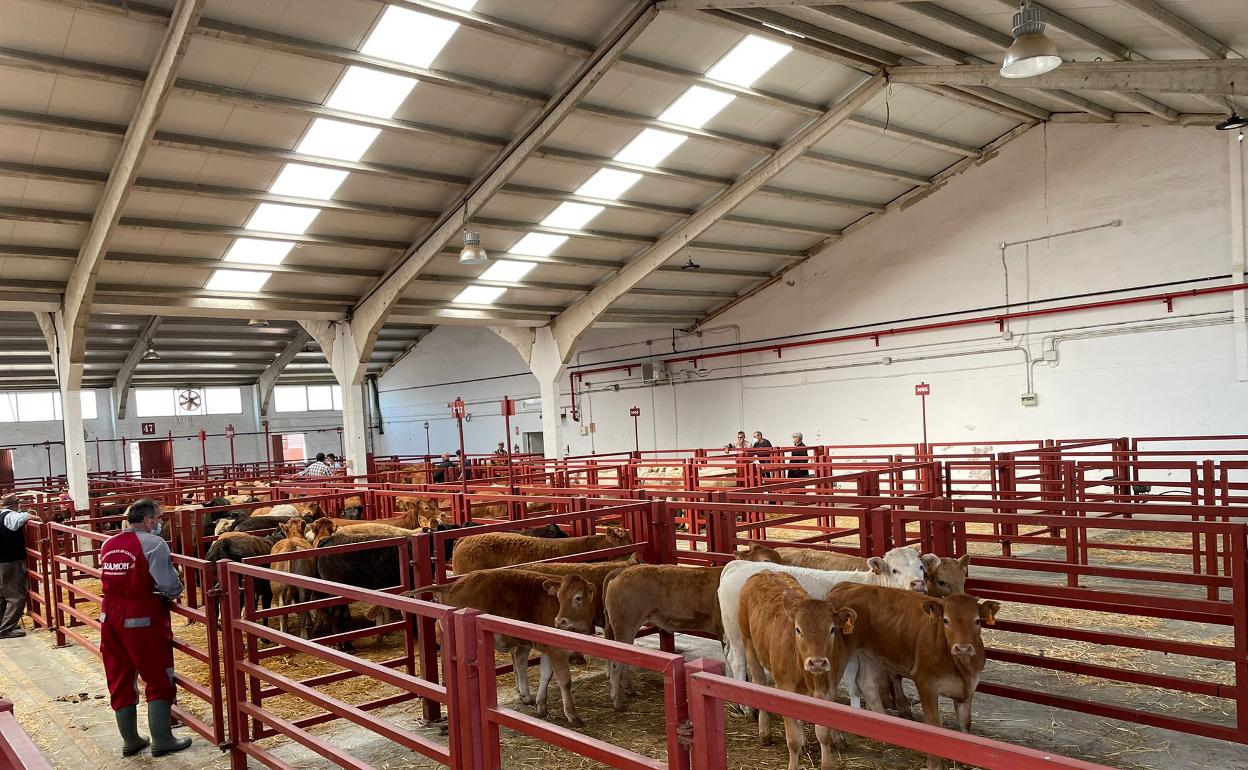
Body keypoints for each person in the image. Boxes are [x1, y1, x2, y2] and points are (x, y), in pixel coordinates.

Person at [99, 499, 190, 757]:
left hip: (109, 616)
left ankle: (131, 740)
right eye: (159, 518)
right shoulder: (154, 544)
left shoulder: (108, 544)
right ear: (149, 519)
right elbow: (169, 585)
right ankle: (162, 739)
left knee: (119, 674)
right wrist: (175, 588)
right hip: (142, 617)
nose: (160, 523)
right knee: (157, 673)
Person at [0, 493, 33, 639]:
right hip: (10, 561)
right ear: (16, 504)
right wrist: (32, 516)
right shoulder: (12, 516)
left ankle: (3, 624)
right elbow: (24, 517)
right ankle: (5, 629)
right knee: (16, 596)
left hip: (2, 561)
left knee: (3, 595)